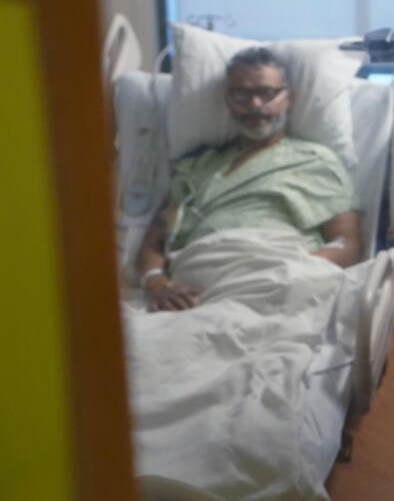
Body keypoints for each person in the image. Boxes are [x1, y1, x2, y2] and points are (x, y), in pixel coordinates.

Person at [136, 47, 362, 311]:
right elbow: (154, 243)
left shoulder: (316, 161)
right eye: (242, 94)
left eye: (267, 93)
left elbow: (348, 244)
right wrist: (157, 283)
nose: (255, 105)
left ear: (289, 98)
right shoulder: (196, 167)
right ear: (228, 101)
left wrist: (291, 273)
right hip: (194, 292)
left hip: (283, 277)